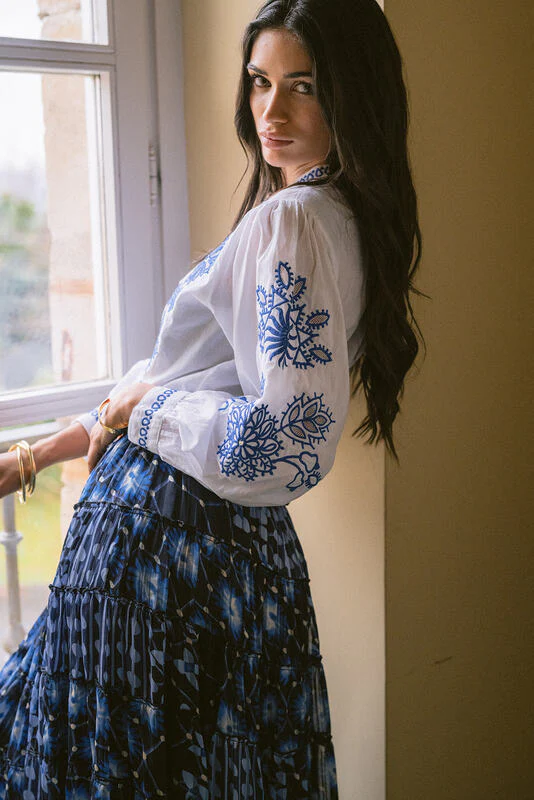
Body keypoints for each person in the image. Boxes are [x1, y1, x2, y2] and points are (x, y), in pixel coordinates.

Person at [0, 0, 423, 795]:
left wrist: (146, 414)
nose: (271, 111)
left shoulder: (296, 222)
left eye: (303, 86)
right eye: (261, 82)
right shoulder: (339, 216)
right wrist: (39, 454)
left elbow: (288, 443)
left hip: (173, 563)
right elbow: (181, 373)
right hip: (210, 559)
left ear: (353, 92)